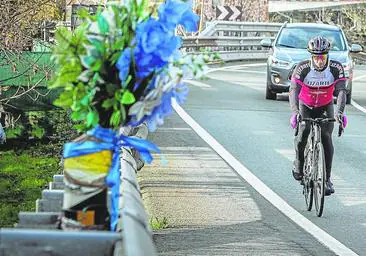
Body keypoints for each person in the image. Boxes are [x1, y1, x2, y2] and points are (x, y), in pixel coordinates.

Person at [289, 36, 347, 196]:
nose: (320, 61)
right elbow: (294, 91)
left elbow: (342, 91)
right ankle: (299, 165)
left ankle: (327, 179)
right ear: (311, 57)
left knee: (327, 137)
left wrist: (339, 113)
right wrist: (296, 112)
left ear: (327, 56)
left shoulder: (336, 67)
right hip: (305, 105)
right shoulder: (302, 68)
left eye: (322, 57)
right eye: (316, 57)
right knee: (304, 129)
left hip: (324, 105)